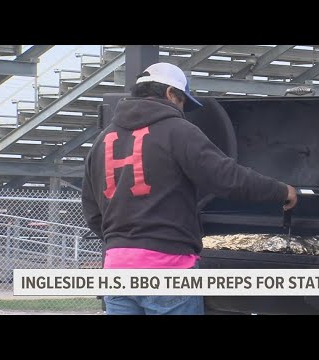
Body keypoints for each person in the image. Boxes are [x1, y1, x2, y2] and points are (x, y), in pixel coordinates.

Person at [81, 62, 298, 315]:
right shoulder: (177, 130)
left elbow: (93, 213)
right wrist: (281, 191)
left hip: (117, 270)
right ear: (171, 94)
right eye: (183, 101)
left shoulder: (101, 141)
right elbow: (226, 178)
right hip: (168, 268)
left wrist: (124, 243)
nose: (183, 110)